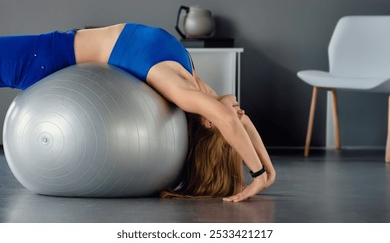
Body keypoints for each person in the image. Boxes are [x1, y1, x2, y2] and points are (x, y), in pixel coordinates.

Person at [0, 23, 276, 202]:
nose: (242, 111)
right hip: (53, 46)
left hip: (43, 59)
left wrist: (257, 173)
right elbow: (238, 120)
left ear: (209, 121)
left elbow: (228, 118)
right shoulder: (195, 80)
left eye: (236, 117)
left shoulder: (181, 91)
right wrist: (269, 172)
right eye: (242, 114)